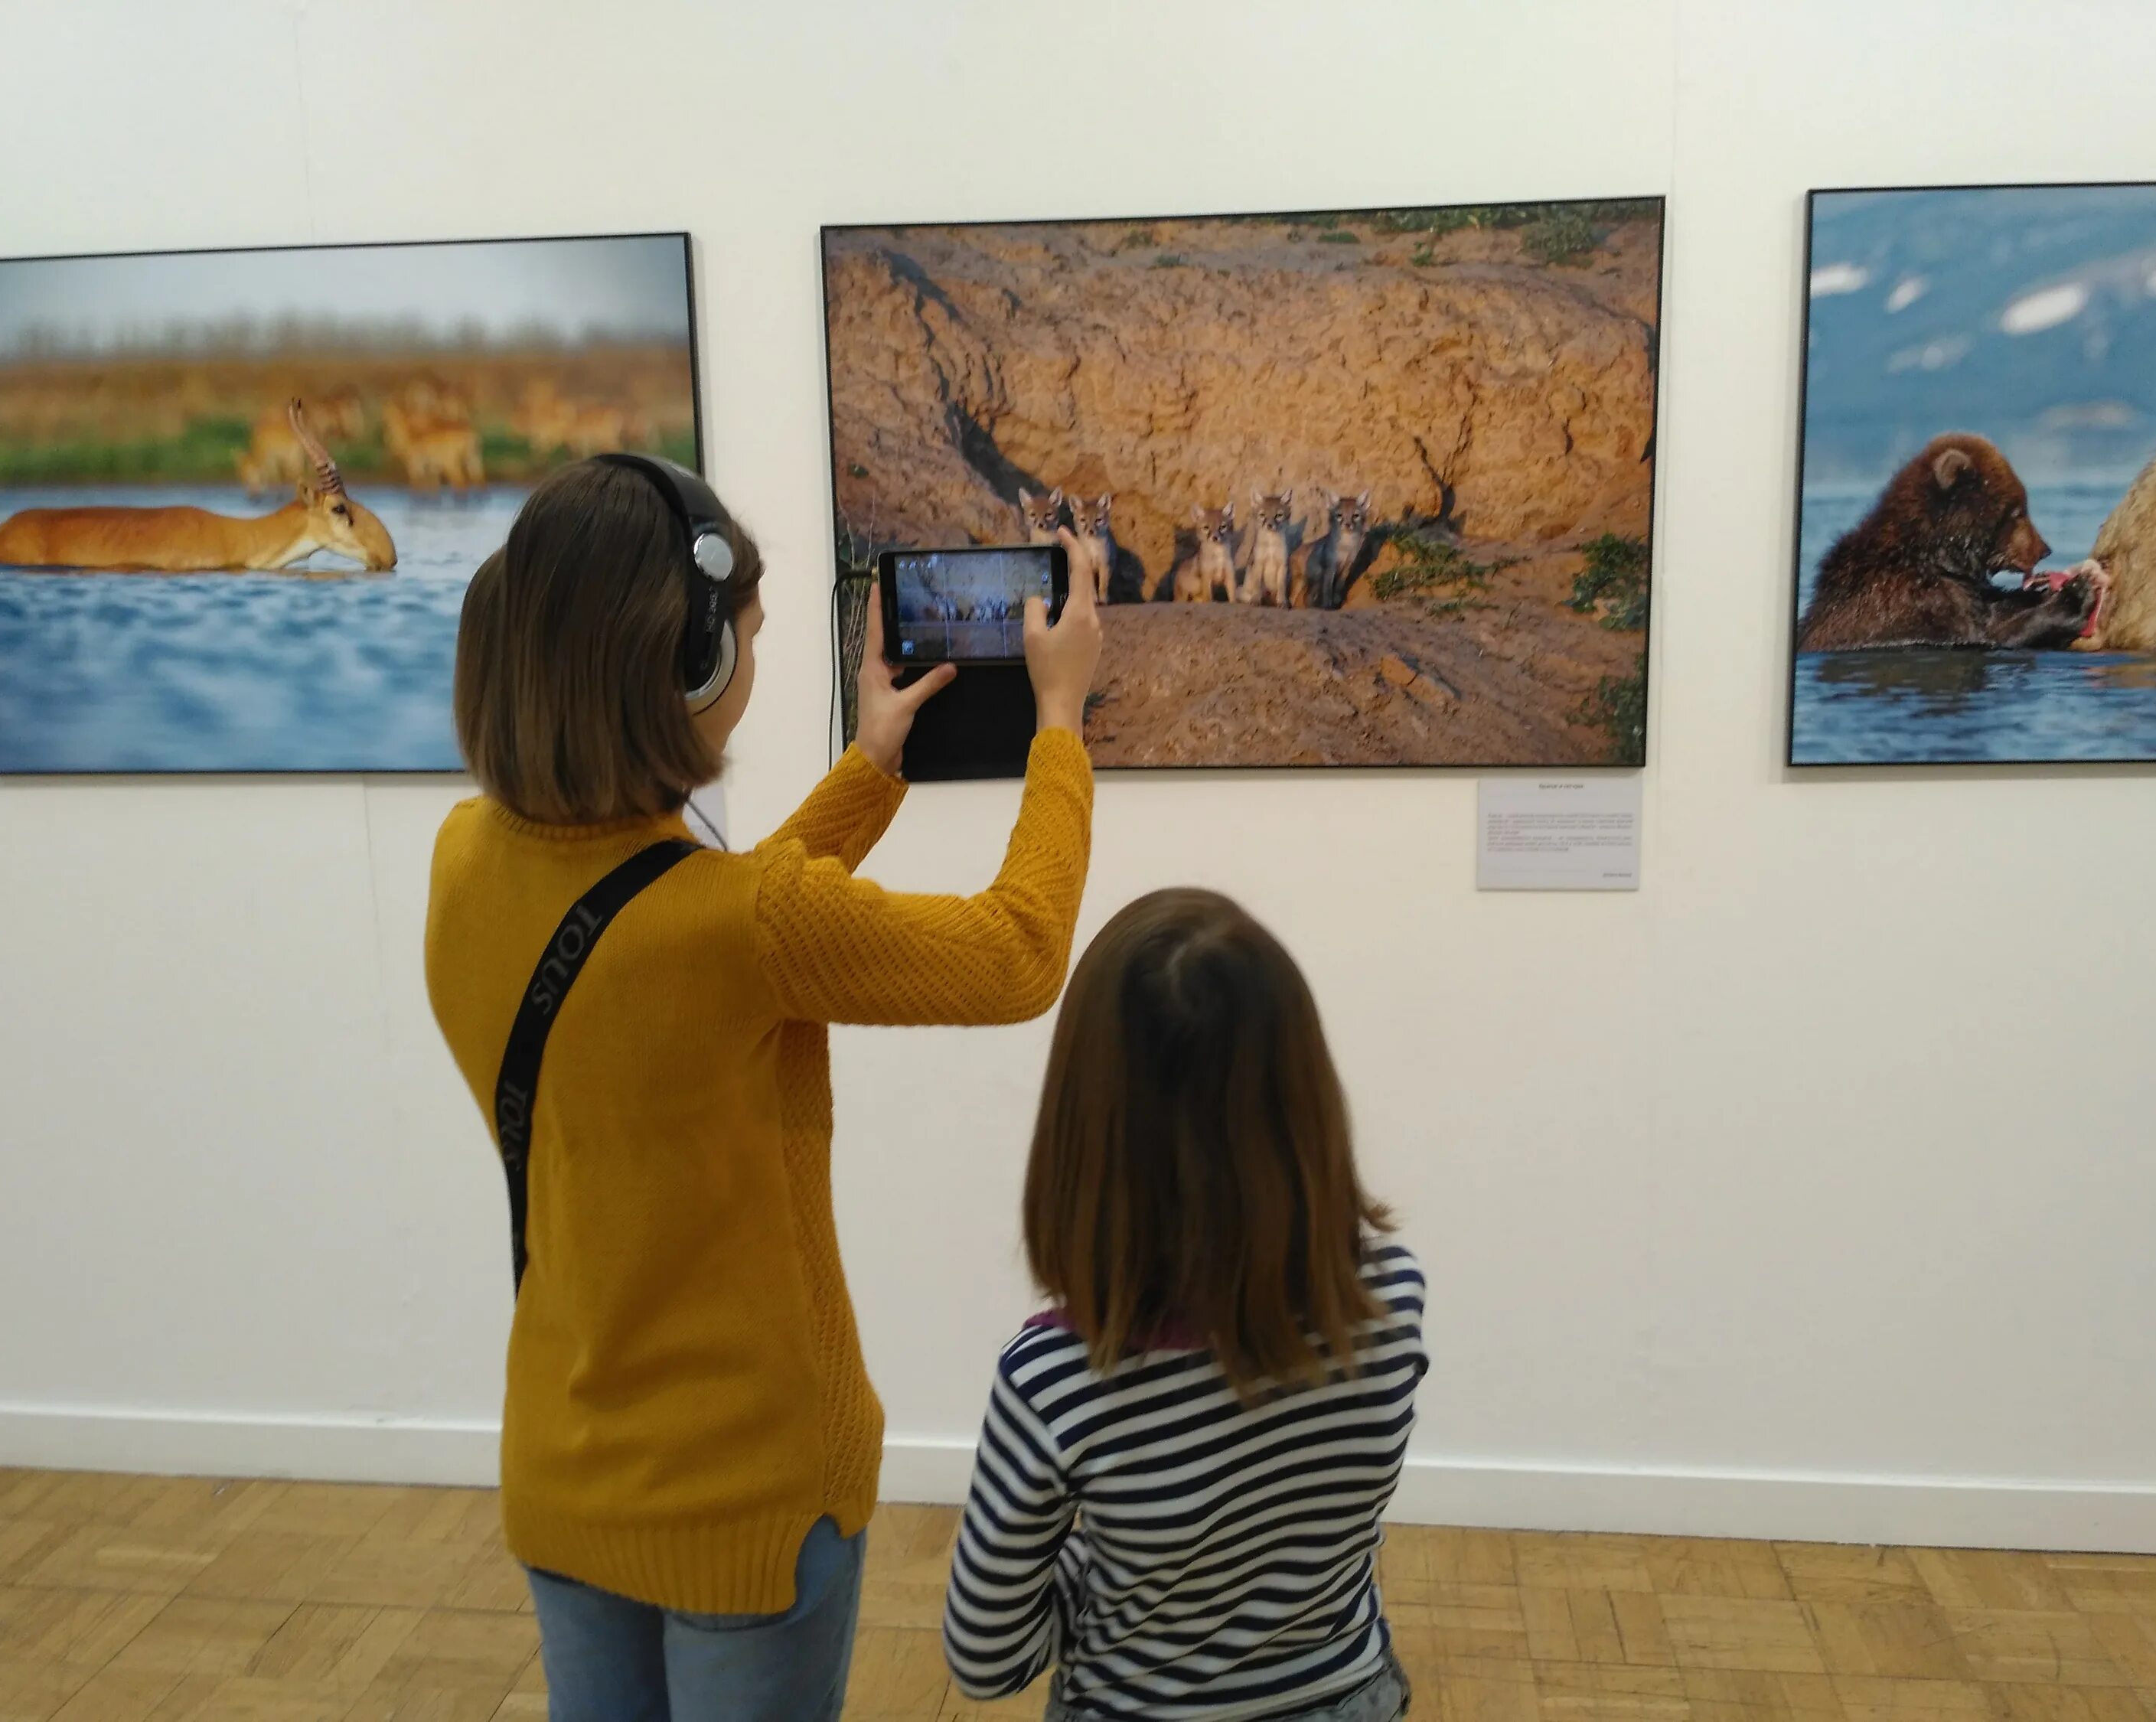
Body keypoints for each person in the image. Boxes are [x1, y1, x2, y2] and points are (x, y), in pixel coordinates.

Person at [423, 457, 1103, 1722]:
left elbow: (672, 924)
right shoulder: (743, 926)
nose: (751, 663)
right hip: (752, 1499)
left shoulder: (465, 862)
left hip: (565, 1468)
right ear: (680, 674)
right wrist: (1060, 726)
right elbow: (1019, 955)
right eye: (743, 641)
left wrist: (870, 770)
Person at [943, 889, 1427, 1721]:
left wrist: (1114, 1576)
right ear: (1304, 1092)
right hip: (1350, 1697)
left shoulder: (1056, 1380)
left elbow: (986, 1658)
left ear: (1085, 1124)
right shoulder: (1391, 1298)